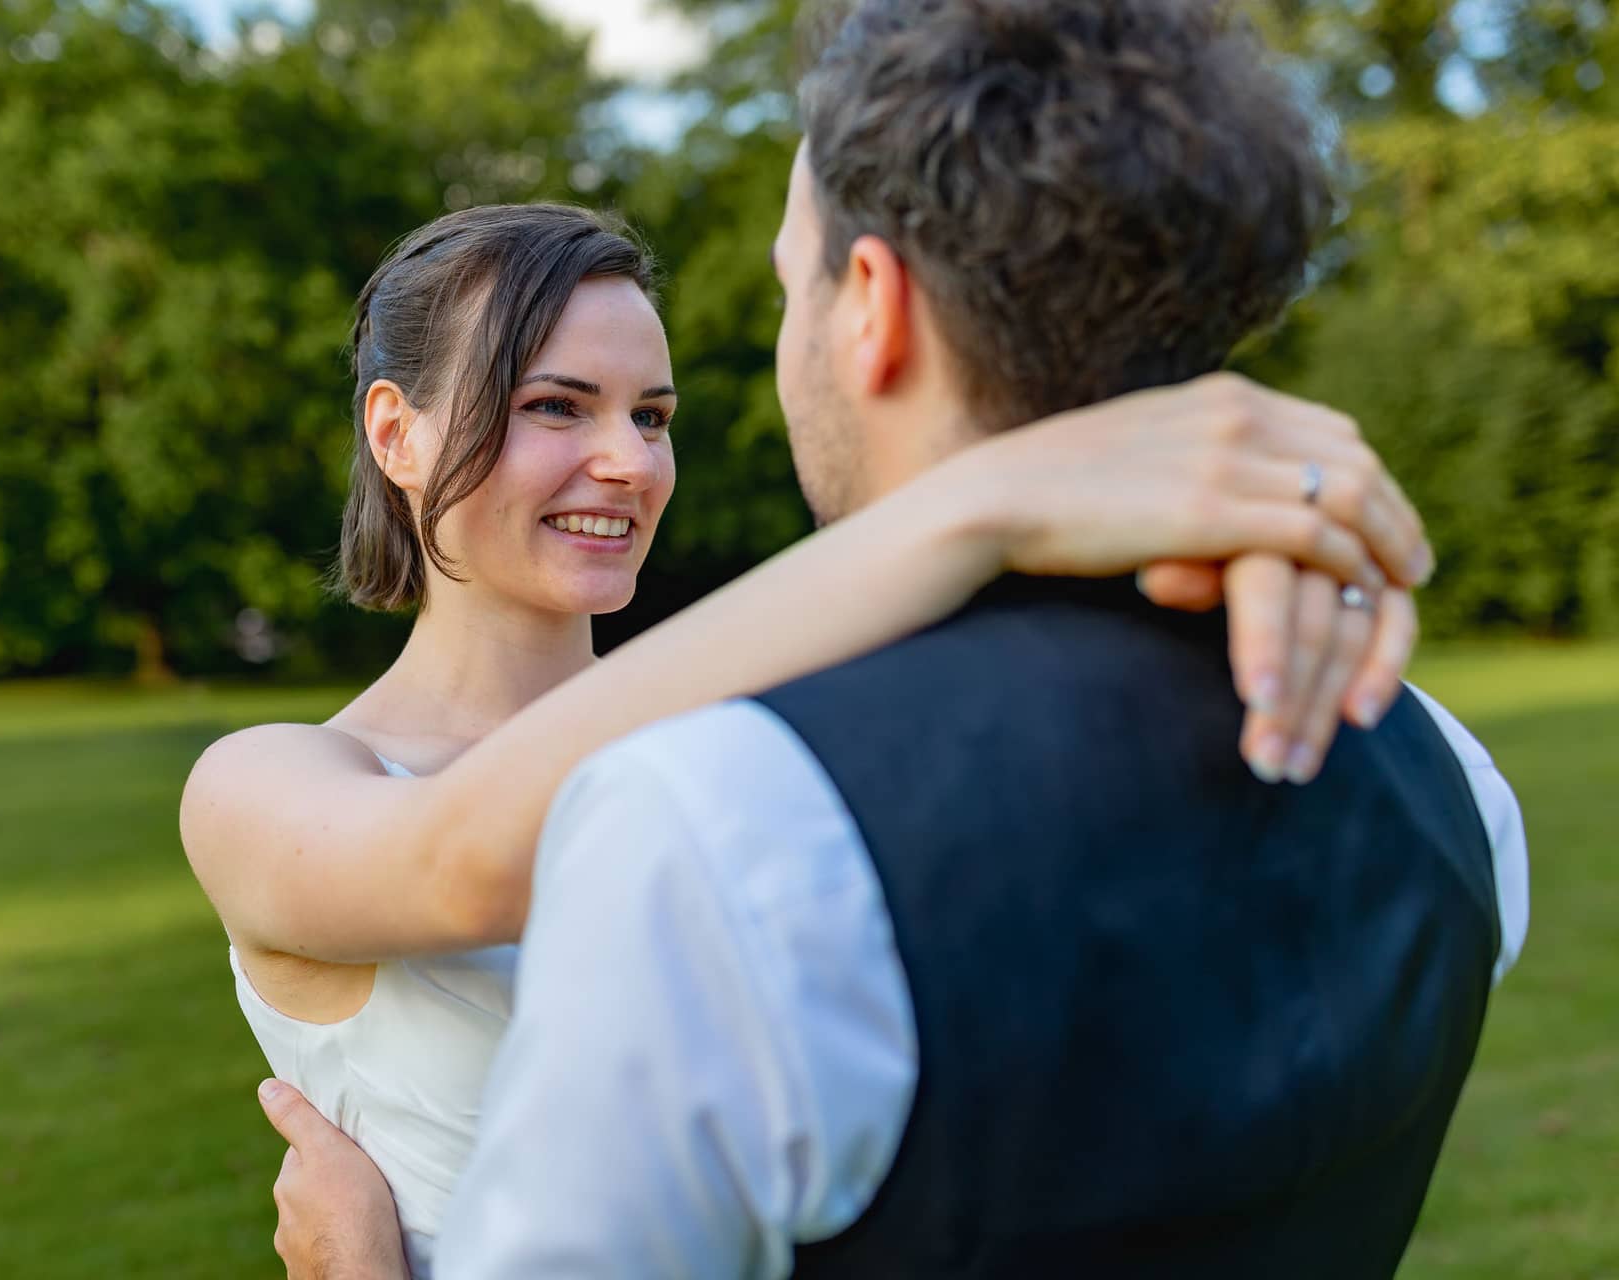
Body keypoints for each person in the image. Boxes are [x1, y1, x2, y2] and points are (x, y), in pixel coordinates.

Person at [255, 1, 1529, 1278]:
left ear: (871, 305)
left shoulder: (732, 820)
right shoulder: (1454, 779)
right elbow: (446, 857)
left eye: (654, 411)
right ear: (392, 430)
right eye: (555, 405)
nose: (630, 458)